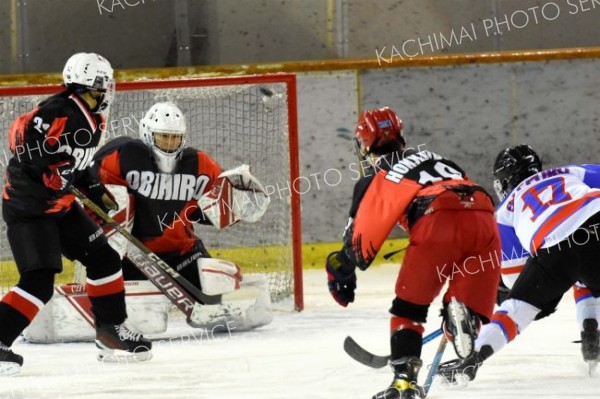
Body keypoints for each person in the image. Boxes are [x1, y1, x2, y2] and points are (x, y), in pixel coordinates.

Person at [325, 107, 501, 399]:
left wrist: (339, 270)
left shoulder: (376, 177)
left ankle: (404, 383)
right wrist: (498, 284)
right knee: (464, 298)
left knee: (409, 309)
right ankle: (463, 316)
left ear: (364, 145)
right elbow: (472, 204)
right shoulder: (440, 160)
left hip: (436, 217)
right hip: (483, 214)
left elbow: (356, 247)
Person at [0, 52, 151, 375]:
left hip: (61, 206)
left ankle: (110, 331)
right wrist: (46, 165)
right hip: (29, 208)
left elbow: (76, 164)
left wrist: (94, 189)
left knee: (105, 259)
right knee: (39, 281)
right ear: (85, 87)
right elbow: (18, 136)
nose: (107, 92)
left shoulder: (92, 119)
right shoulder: (58, 110)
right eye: (101, 87)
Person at [89, 102, 271, 319]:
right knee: (132, 316)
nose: (170, 143)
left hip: (183, 254)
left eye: (175, 137)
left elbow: (212, 208)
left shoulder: (198, 163)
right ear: (148, 134)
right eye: (164, 136)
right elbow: (94, 189)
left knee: (228, 302)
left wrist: (241, 204)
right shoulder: (125, 156)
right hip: (134, 258)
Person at [437, 144, 600, 383]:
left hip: (556, 248)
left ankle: (471, 361)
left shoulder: (504, 212)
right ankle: (591, 327)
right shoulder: (571, 172)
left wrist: (501, 296)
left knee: (519, 307)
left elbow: (514, 279)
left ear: (504, 181)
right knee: (586, 272)